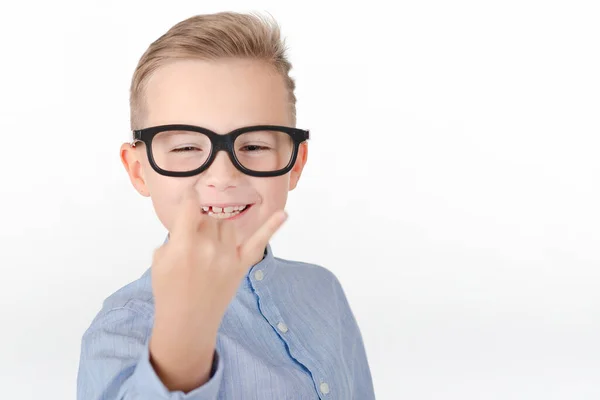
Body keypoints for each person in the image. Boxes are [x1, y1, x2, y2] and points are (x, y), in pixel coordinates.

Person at [77, 11, 375, 399]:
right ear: (138, 170)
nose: (223, 175)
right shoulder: (121, 329)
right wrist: (185, 340)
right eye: (186, 147)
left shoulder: (323, 291)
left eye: (253, 146)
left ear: (295, 164)